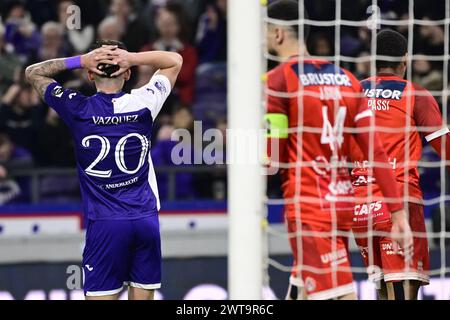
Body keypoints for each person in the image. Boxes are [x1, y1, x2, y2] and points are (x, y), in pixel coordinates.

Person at [265, 1, 412, 300]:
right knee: (302, 286)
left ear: (278, 34)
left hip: (308, 204)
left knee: (341, 294)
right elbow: (375, 151)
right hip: (343, 202)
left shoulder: (279, 80)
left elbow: (275, 159)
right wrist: (398, 212)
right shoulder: (348, 79)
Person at [25, 39, 182, 300]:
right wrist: (131, 57)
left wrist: (80, 59)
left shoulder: (77, 108)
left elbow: (34, 72)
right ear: (128, 73)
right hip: (145, 220)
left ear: (89, 74)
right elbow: (174, 61)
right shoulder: (145, 102)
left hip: (105, 224)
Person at [350, 29, 450, 300]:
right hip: (401, 203)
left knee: (383, 293)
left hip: (361, 207)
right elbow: (446, 150)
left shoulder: (355, 91)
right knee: (404, 294)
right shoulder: (415, 93)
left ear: (373, 60)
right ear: (404, 59)